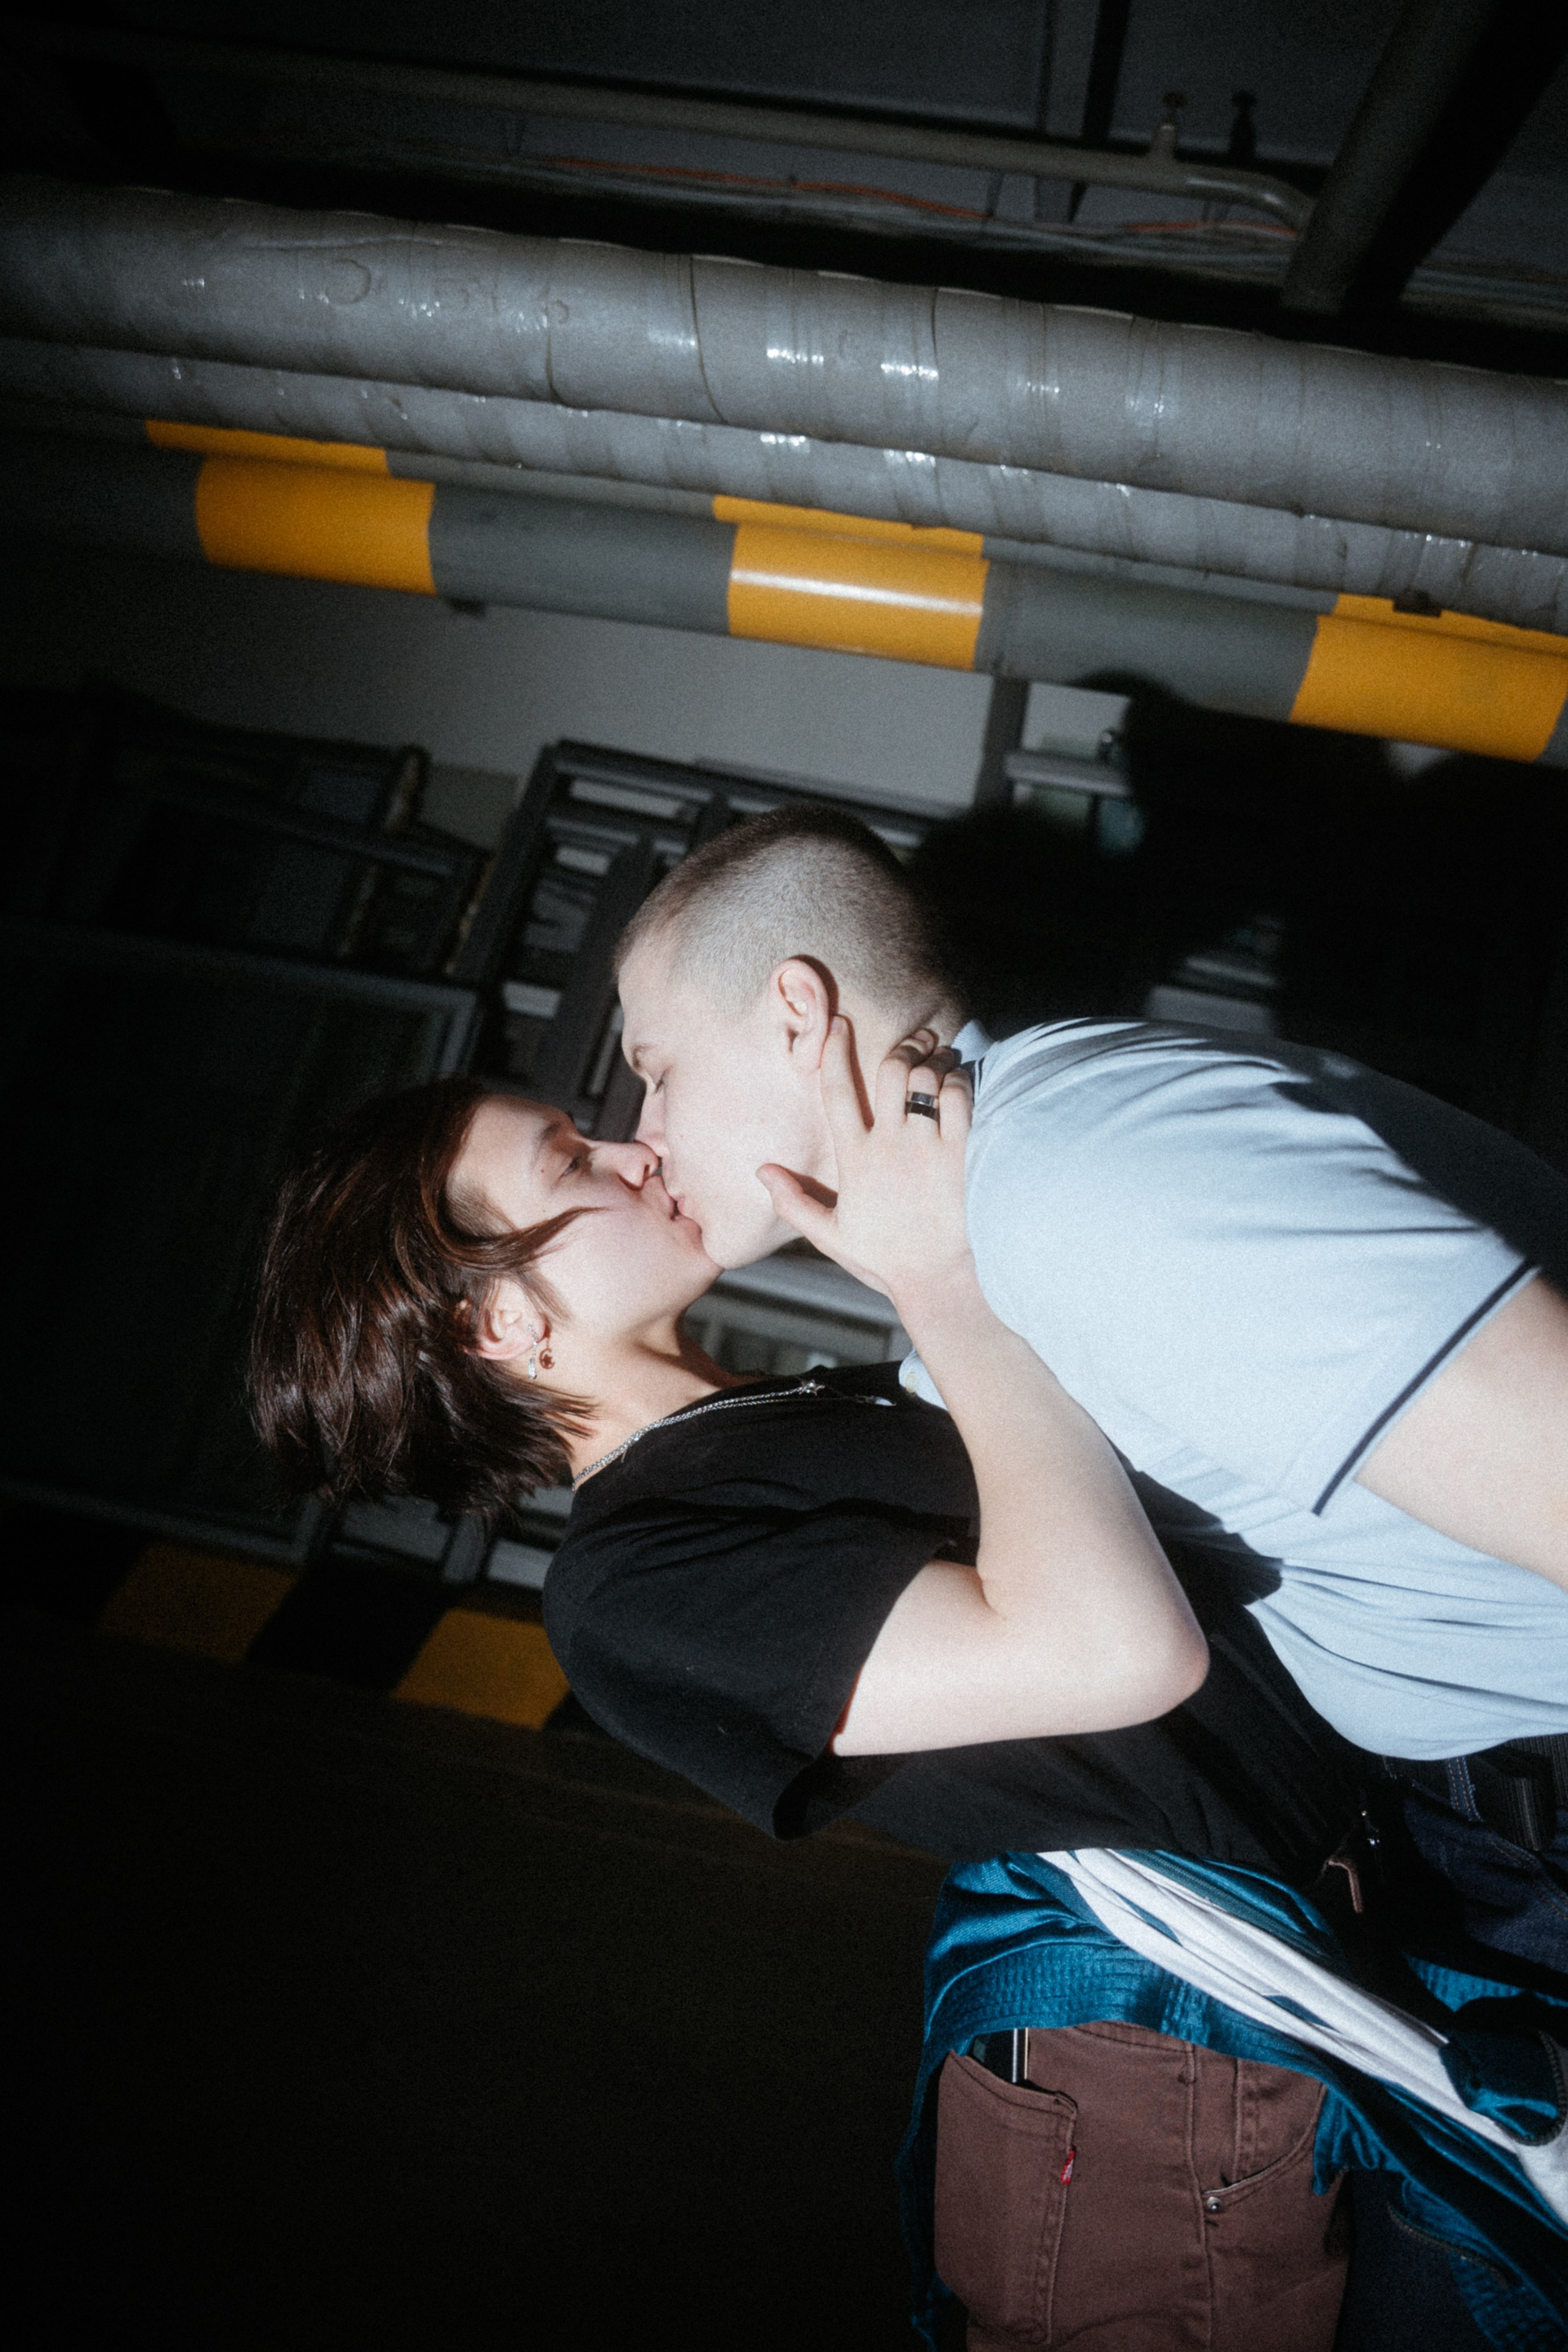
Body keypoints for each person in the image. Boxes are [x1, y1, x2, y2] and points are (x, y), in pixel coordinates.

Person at [249, 1058, 1566, 2349]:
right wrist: (943, 1287)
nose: (632, 1149)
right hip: (1202, 2071)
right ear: (498, 1324)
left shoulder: (791, 1413)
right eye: (568, 1161)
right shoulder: (630, 1585)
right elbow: (1112, 1648)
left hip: (1351, 1941)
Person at [613, 801, 1568, 1979]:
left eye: (658, 1073)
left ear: (796, 1015)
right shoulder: (1003, 1201)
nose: (644, 1138)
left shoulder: (1073, 1180)